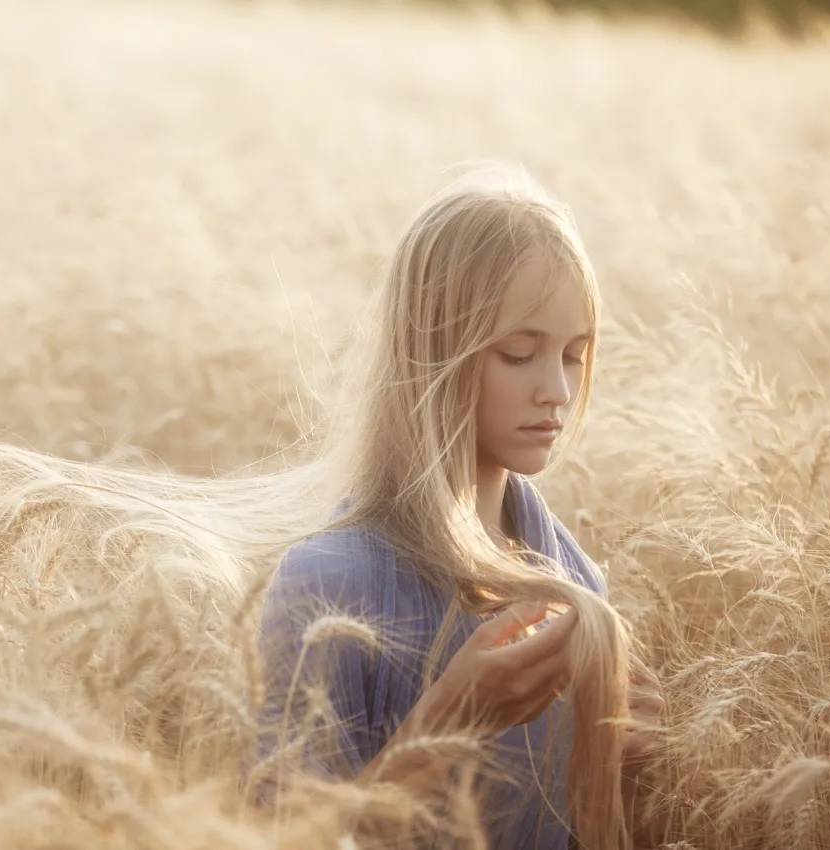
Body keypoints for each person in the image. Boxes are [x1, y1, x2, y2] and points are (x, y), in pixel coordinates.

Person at [249, 164, 664, 849]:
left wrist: (632, 764)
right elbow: (283, 838)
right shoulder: (327, 584)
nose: (556, 389)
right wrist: (446, 726)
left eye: (574, 355)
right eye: (519, 353)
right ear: (433, 350)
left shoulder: (578, 579)